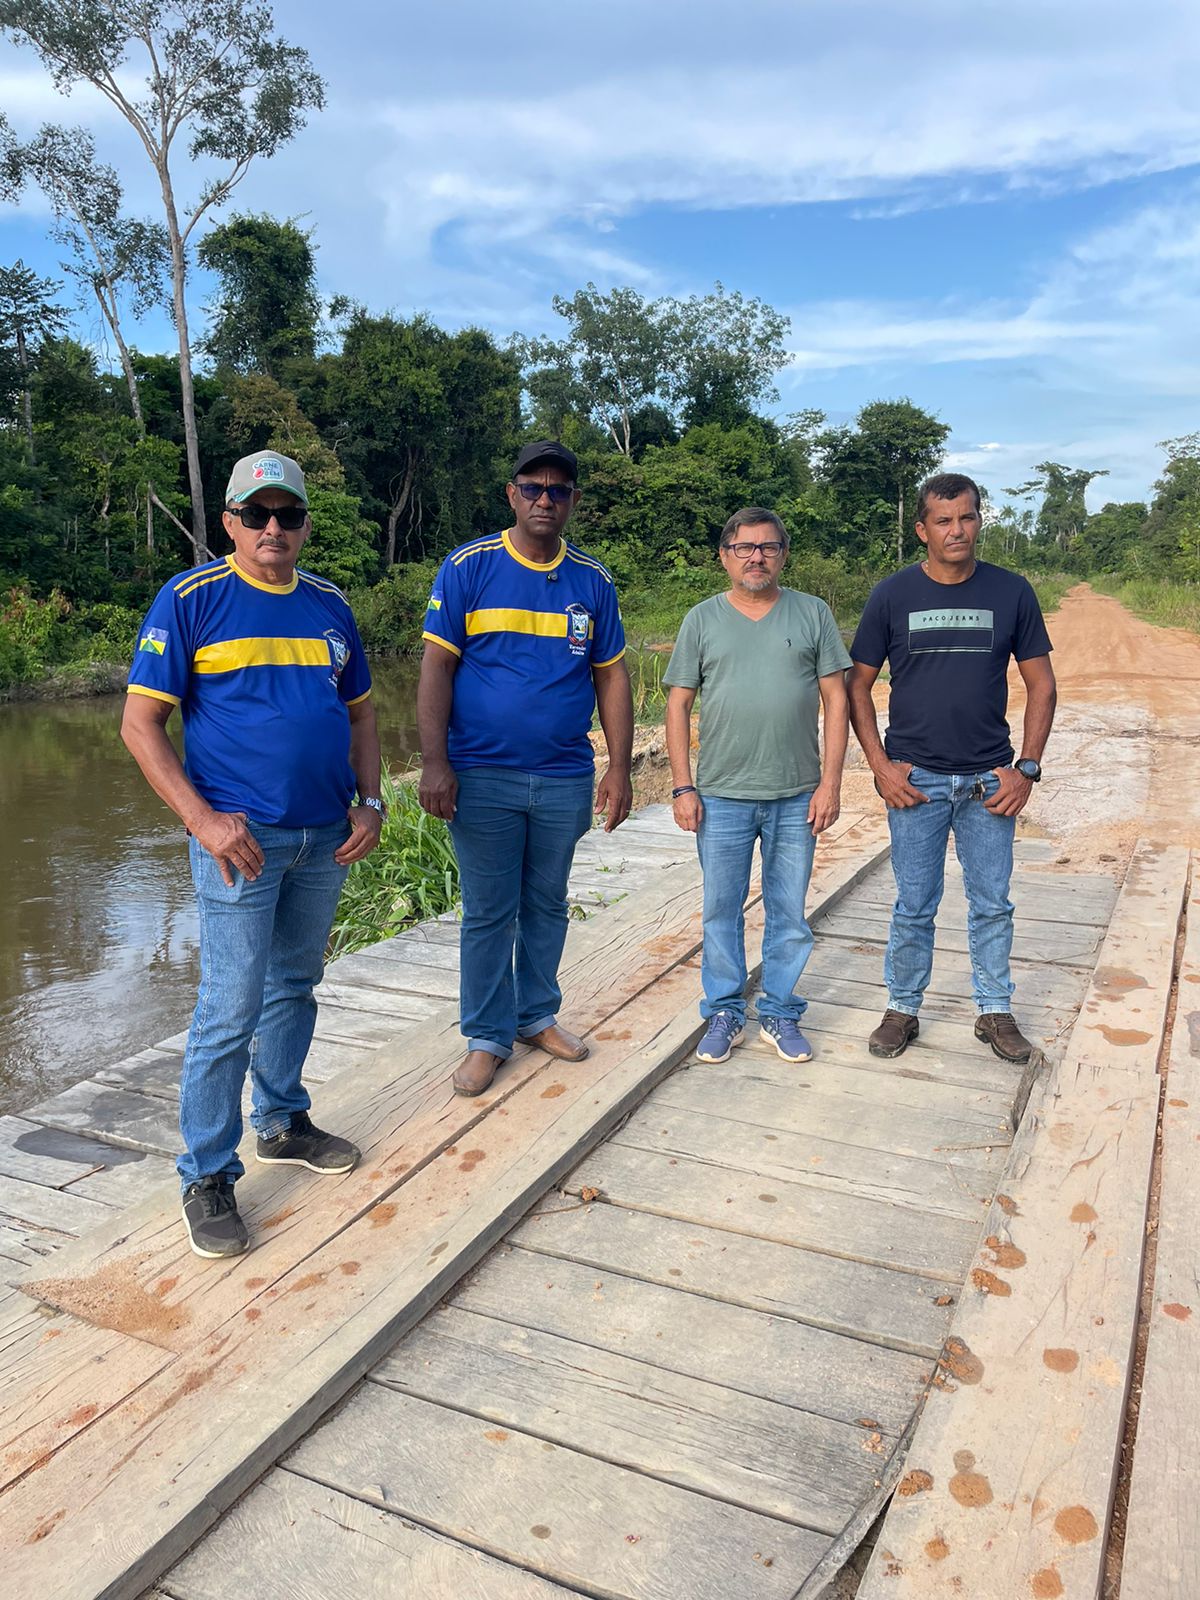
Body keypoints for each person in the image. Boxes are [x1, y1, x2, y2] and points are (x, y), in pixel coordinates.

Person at [121, 451, 384, 1259]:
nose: (275, 529)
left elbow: (365, 717)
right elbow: (140, 725)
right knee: (229, 1003)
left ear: (305, 524)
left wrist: (371, 802)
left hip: (322, 836)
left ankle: (281, 1121)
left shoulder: (331, 606)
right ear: (229, 521)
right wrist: (202, 820)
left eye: (289, 515)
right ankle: (205, 1171)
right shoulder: (191, 599)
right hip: (242, 842)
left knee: (295, 984)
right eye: (258, 514)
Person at [417, 441, 634, 1097]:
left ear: (572, 501)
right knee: (488, 911)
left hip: (565, 774)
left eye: (559, 490)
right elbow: (436, 669)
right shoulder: (468, 568)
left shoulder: (591, 582)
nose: (546, 499)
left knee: (546, 903)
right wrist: (434, 764)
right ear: (511, 494)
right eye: (534, 488)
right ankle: (486, 1037)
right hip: (481, 775)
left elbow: (613, 679)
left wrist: (618, 768)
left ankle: (535, 1016)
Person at [846, 471, 1057, 1063]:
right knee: (915, 902)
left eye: (966, 517)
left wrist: (1028, 768)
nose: (956, 530)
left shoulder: (1012, 592)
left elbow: (1041, 683)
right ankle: (903, 1009)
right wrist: (880, 767)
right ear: (922, 530)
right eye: (943, 520)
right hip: (918, 781)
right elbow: (856, 686)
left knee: (993, 901)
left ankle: (994, 1011)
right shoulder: (892, 596)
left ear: (979, 520)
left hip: (991, 779)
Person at [664, 507, 851, 1065]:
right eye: (744, 547)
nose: (756, 557)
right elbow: (678, 704)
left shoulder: (812, 613)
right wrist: (682, 787)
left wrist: (831, 784)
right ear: (725, 556)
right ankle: (724, 1008)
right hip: (720, 794)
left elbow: (837, 699)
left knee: (789, 910)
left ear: (783, 554)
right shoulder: (702, 619)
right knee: (721, 907)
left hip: (797, 792)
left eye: (768, 547)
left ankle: (778, 1010)